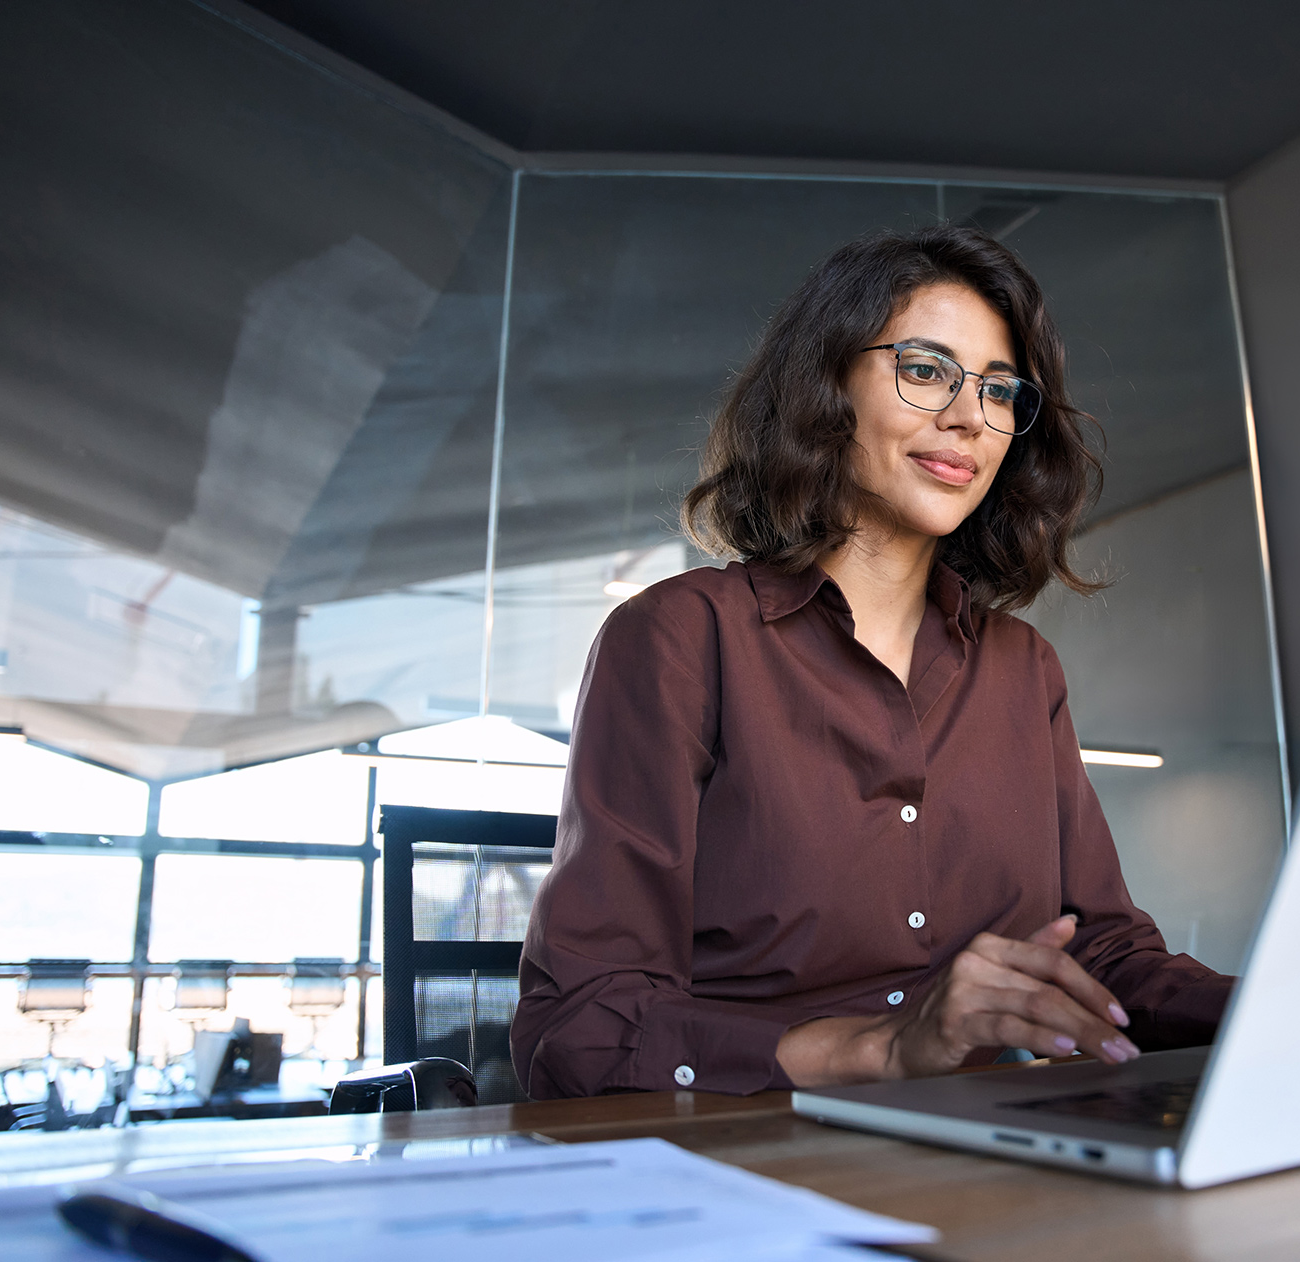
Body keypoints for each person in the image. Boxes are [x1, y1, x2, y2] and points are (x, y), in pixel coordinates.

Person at [511, 224, 1235, 1098]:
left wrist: (1286, 1005)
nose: (970, 418)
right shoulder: (678, 641)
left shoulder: (1023, 669)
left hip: (1001, 1149)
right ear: (827, 387)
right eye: (926, 370)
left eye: (1001, 391)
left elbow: (1105, 955)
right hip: (758, 1158)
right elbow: (580, 1026)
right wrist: (879, 1049)